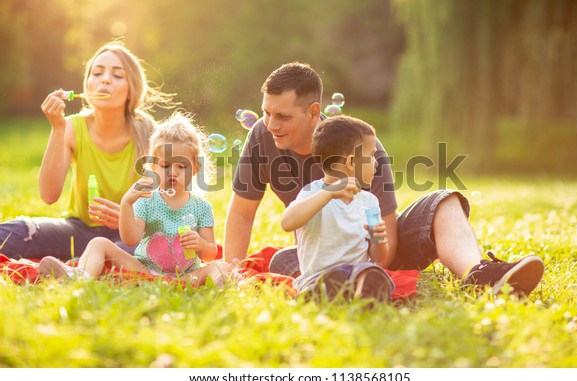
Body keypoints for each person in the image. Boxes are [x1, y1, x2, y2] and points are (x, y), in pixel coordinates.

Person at [224, 62, 544, 296]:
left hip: (374, 246)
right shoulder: (262, 137)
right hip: (324, 246)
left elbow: (387, 249)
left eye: (282, 116)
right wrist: (234, 271)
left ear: (313, 112)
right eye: (266, 112)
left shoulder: (361, 147)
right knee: (285, 259)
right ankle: (333, 278)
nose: (270, 124)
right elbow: (241, 211)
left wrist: (361, 252)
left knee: (445, 200)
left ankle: (479, 274)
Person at [0, 41, 176, 261]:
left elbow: (171, 201)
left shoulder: (151, 132)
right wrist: (57, 129)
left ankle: (84, 267)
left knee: (158, 246)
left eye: (117, 75)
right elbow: (48, 195)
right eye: (97, 73)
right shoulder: (71, 127)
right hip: (78, 232)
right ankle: (90, 264)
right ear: (87, 84)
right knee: (19, 231)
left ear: (132, 88)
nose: (105, 79)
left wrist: (129, 218)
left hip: (132, 235)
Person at [38, 113, 232, 286]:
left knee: (220, 266)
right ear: (154, 168)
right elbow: (130, 239)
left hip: (187, 275)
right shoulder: (146, 200)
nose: (173, 172)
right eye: (165, 166)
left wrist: (200, 244)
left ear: (195, 169)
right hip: (146, 271)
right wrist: (126, 204)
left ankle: (221, 282)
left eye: (181, 167)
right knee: (99, 243)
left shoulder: (201, 206)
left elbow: (210, 253)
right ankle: (80, 277)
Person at [281, 116, 394, 302]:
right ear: (351, 163)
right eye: (372, 155)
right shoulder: (313, 193)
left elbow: (378, 256)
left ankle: (364, 295)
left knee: (370, 271)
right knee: (325, 281)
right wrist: (329, 193)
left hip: (358, 272)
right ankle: (330, 292)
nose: (376, 162)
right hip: (318, 277)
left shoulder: (369, 201)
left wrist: (380, 241)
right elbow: (287, 222)